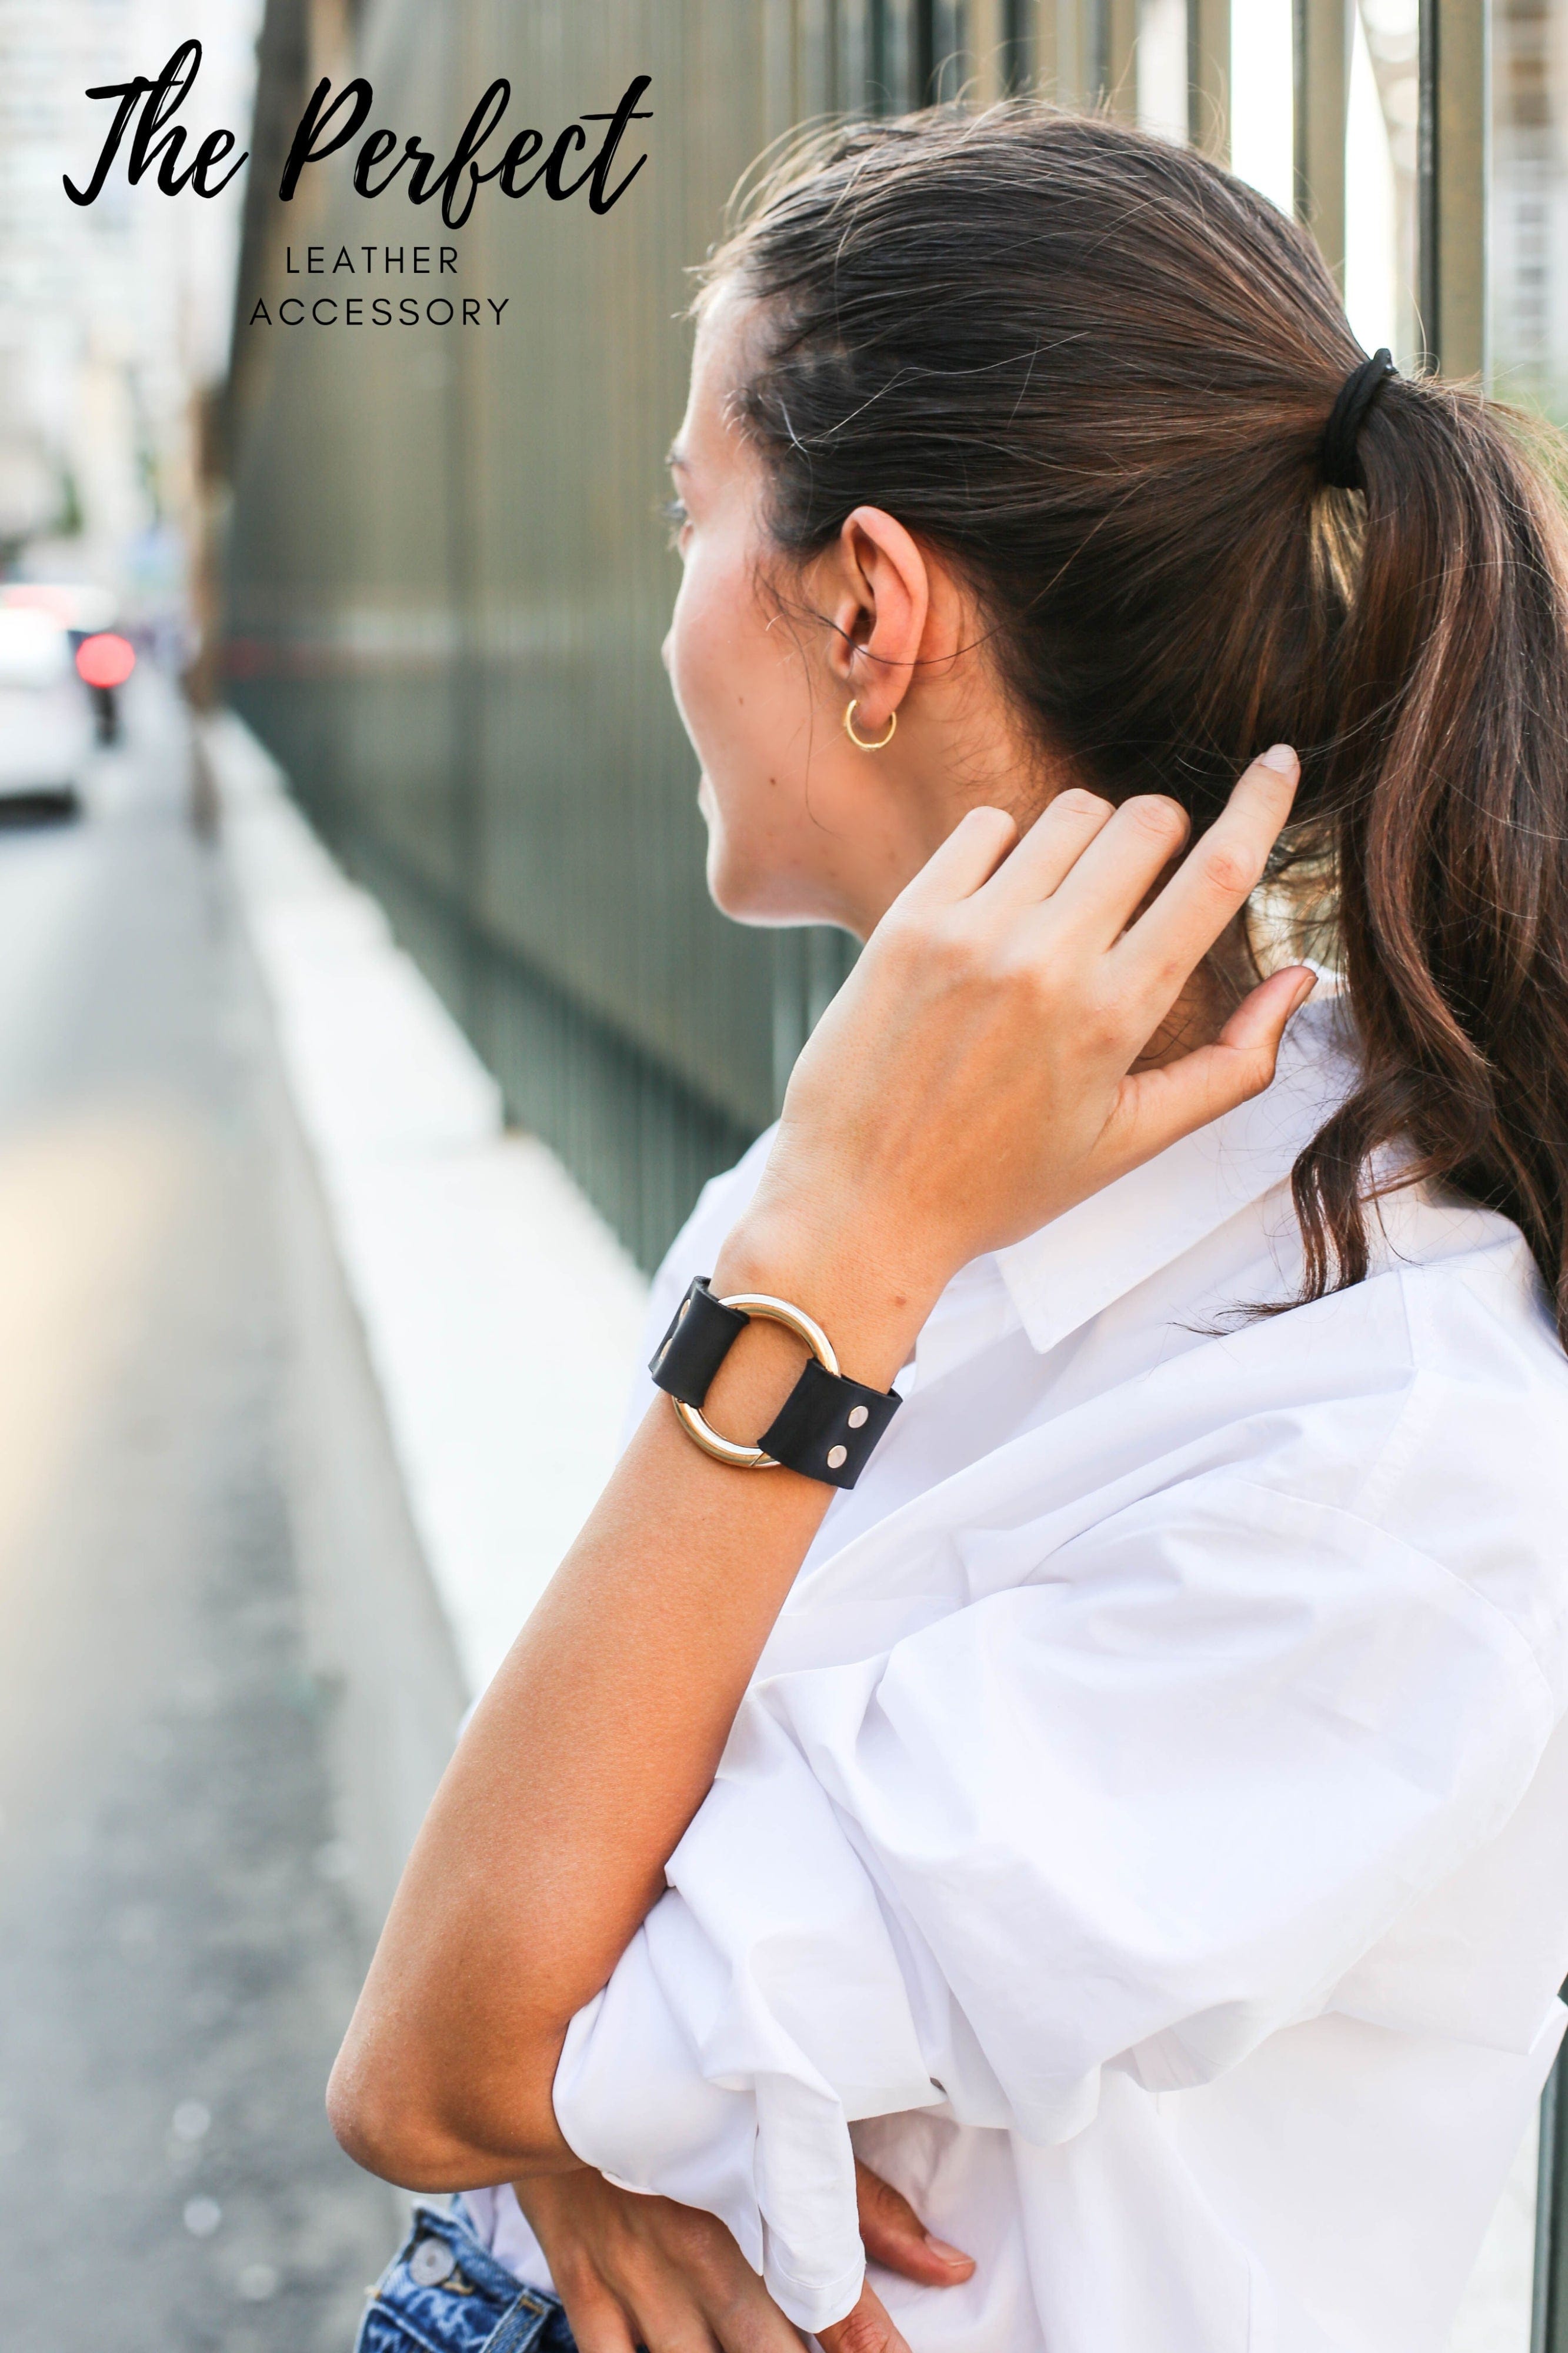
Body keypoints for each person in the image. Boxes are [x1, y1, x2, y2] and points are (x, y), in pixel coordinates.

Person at [329, 105, 1568, 2353]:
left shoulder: (1375, 1440)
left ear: (866, 609)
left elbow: (428, 2068)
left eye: (689, 516)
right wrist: (574, 2096)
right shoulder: (904, 1167)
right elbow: (522, 1959)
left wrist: (550, 2076)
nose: (666, 605)